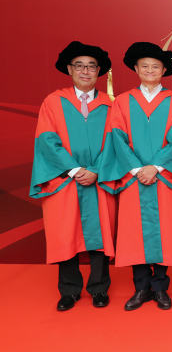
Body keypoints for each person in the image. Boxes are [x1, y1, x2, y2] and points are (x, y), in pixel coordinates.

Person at [98, 42, 172, 311]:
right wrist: (138, 169)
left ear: (165, 70)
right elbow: (116, 137)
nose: (150, 70)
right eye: (145, 66)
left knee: (165, 233)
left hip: (164, 178)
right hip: (133, 178)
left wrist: (157, 168)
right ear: (136, 69)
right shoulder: (123, 102)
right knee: (134, 234)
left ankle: (160, 288)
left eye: (156, 66)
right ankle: (141, 288)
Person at [30, 41, 116, 311]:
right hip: (64, 179)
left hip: (99, 177)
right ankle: (69, 290)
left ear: (99, 71)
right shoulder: (54, 102)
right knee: (65, 233)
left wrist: (97, 170)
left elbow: (117, 143)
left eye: (91, 66)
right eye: (80, 66)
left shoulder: (111, 104)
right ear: (70, 69)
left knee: (100, 232)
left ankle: (99, 288)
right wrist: (76, 170)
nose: (86, 71)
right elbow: (47, 140)